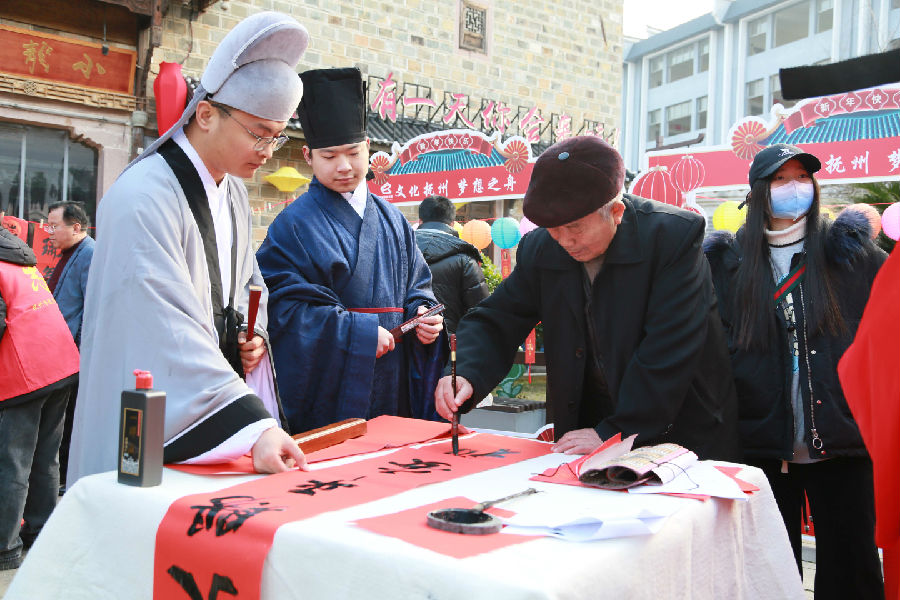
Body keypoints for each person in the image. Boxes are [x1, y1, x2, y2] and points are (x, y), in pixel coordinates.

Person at [67, 12, 310, 486]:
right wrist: (253, 426)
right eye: (258, 133)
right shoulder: (143, 196)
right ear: (206, 114)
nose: (267, 150)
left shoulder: (233, 191)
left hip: (215, 390)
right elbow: (161, 325)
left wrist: (253, 333)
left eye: (277, 136)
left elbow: (248, 282)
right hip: (156, 405)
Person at [434, 135, 740, 461]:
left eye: (575, 228)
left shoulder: (671, 238)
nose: (565, 241)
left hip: (676, 429)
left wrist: (617, 430)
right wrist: (466, 371)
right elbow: (499, 317)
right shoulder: (543, 247)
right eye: (554, 229)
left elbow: (671, 344)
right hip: (587, 427)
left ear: (616, 212)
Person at [703, 143, 886, 598]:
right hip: (760, 448)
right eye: (781, 179)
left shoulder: (851, 254)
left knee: (853, 569)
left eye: (804, 177)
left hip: (843, 443)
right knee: (766, 573)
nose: (795, 187)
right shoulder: (726, 264)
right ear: (758, 191)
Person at [257, 67, 446, 433]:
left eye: (353, 153)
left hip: (394, 377)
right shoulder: (292, 224)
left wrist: (423, 315)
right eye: (329, 156)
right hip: (332, 383)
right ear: (308, 156)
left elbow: (418, 287)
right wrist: (355, 334)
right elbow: (282, 309)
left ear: (368, 148)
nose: (343, 166)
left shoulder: (393, 219)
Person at [0, 227, 79, 570]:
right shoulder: (18, 258)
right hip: (60, 361)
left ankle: (4, 547)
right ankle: (41, 532)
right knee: (46, 457)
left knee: (12, 461)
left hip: (26, 372)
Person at [45, 201, 95, 489]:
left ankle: (66, 477)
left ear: (76, 227)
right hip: (59, 352)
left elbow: (91, 307)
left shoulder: (89, 253)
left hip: (73, 355)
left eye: (54, 226)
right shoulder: (71, 253)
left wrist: (79, 350)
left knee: (69, 417)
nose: (48, 232)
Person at [414, 195, 490, 333]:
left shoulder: (399, 252)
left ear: (420, 221)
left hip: (401, 342)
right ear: (452, 223)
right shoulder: (465, 259)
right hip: (451, 343)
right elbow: (481, 314)